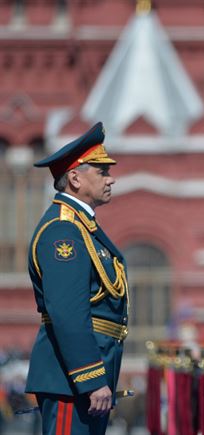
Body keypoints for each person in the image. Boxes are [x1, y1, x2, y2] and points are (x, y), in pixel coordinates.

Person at [25, 122, 129, 435]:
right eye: (102, 172)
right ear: (75, 177)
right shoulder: (63, 230)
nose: (111, 179)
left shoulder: (83, 228)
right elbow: (67, 311)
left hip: (84, 377)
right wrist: (92, 378)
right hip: (73, 380)